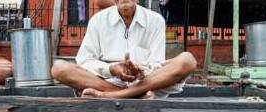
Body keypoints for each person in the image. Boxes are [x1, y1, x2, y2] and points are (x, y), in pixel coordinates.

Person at [50, 0, 197, 99]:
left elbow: (156, 62)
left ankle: (113, 96)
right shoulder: (98, 20)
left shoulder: (155, 20)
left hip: (146, 82)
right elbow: (84, 60)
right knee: (59, 68)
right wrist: (111, 68)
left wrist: (140, 70)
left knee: (187, 60)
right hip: (109, 82)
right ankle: (131, 95)